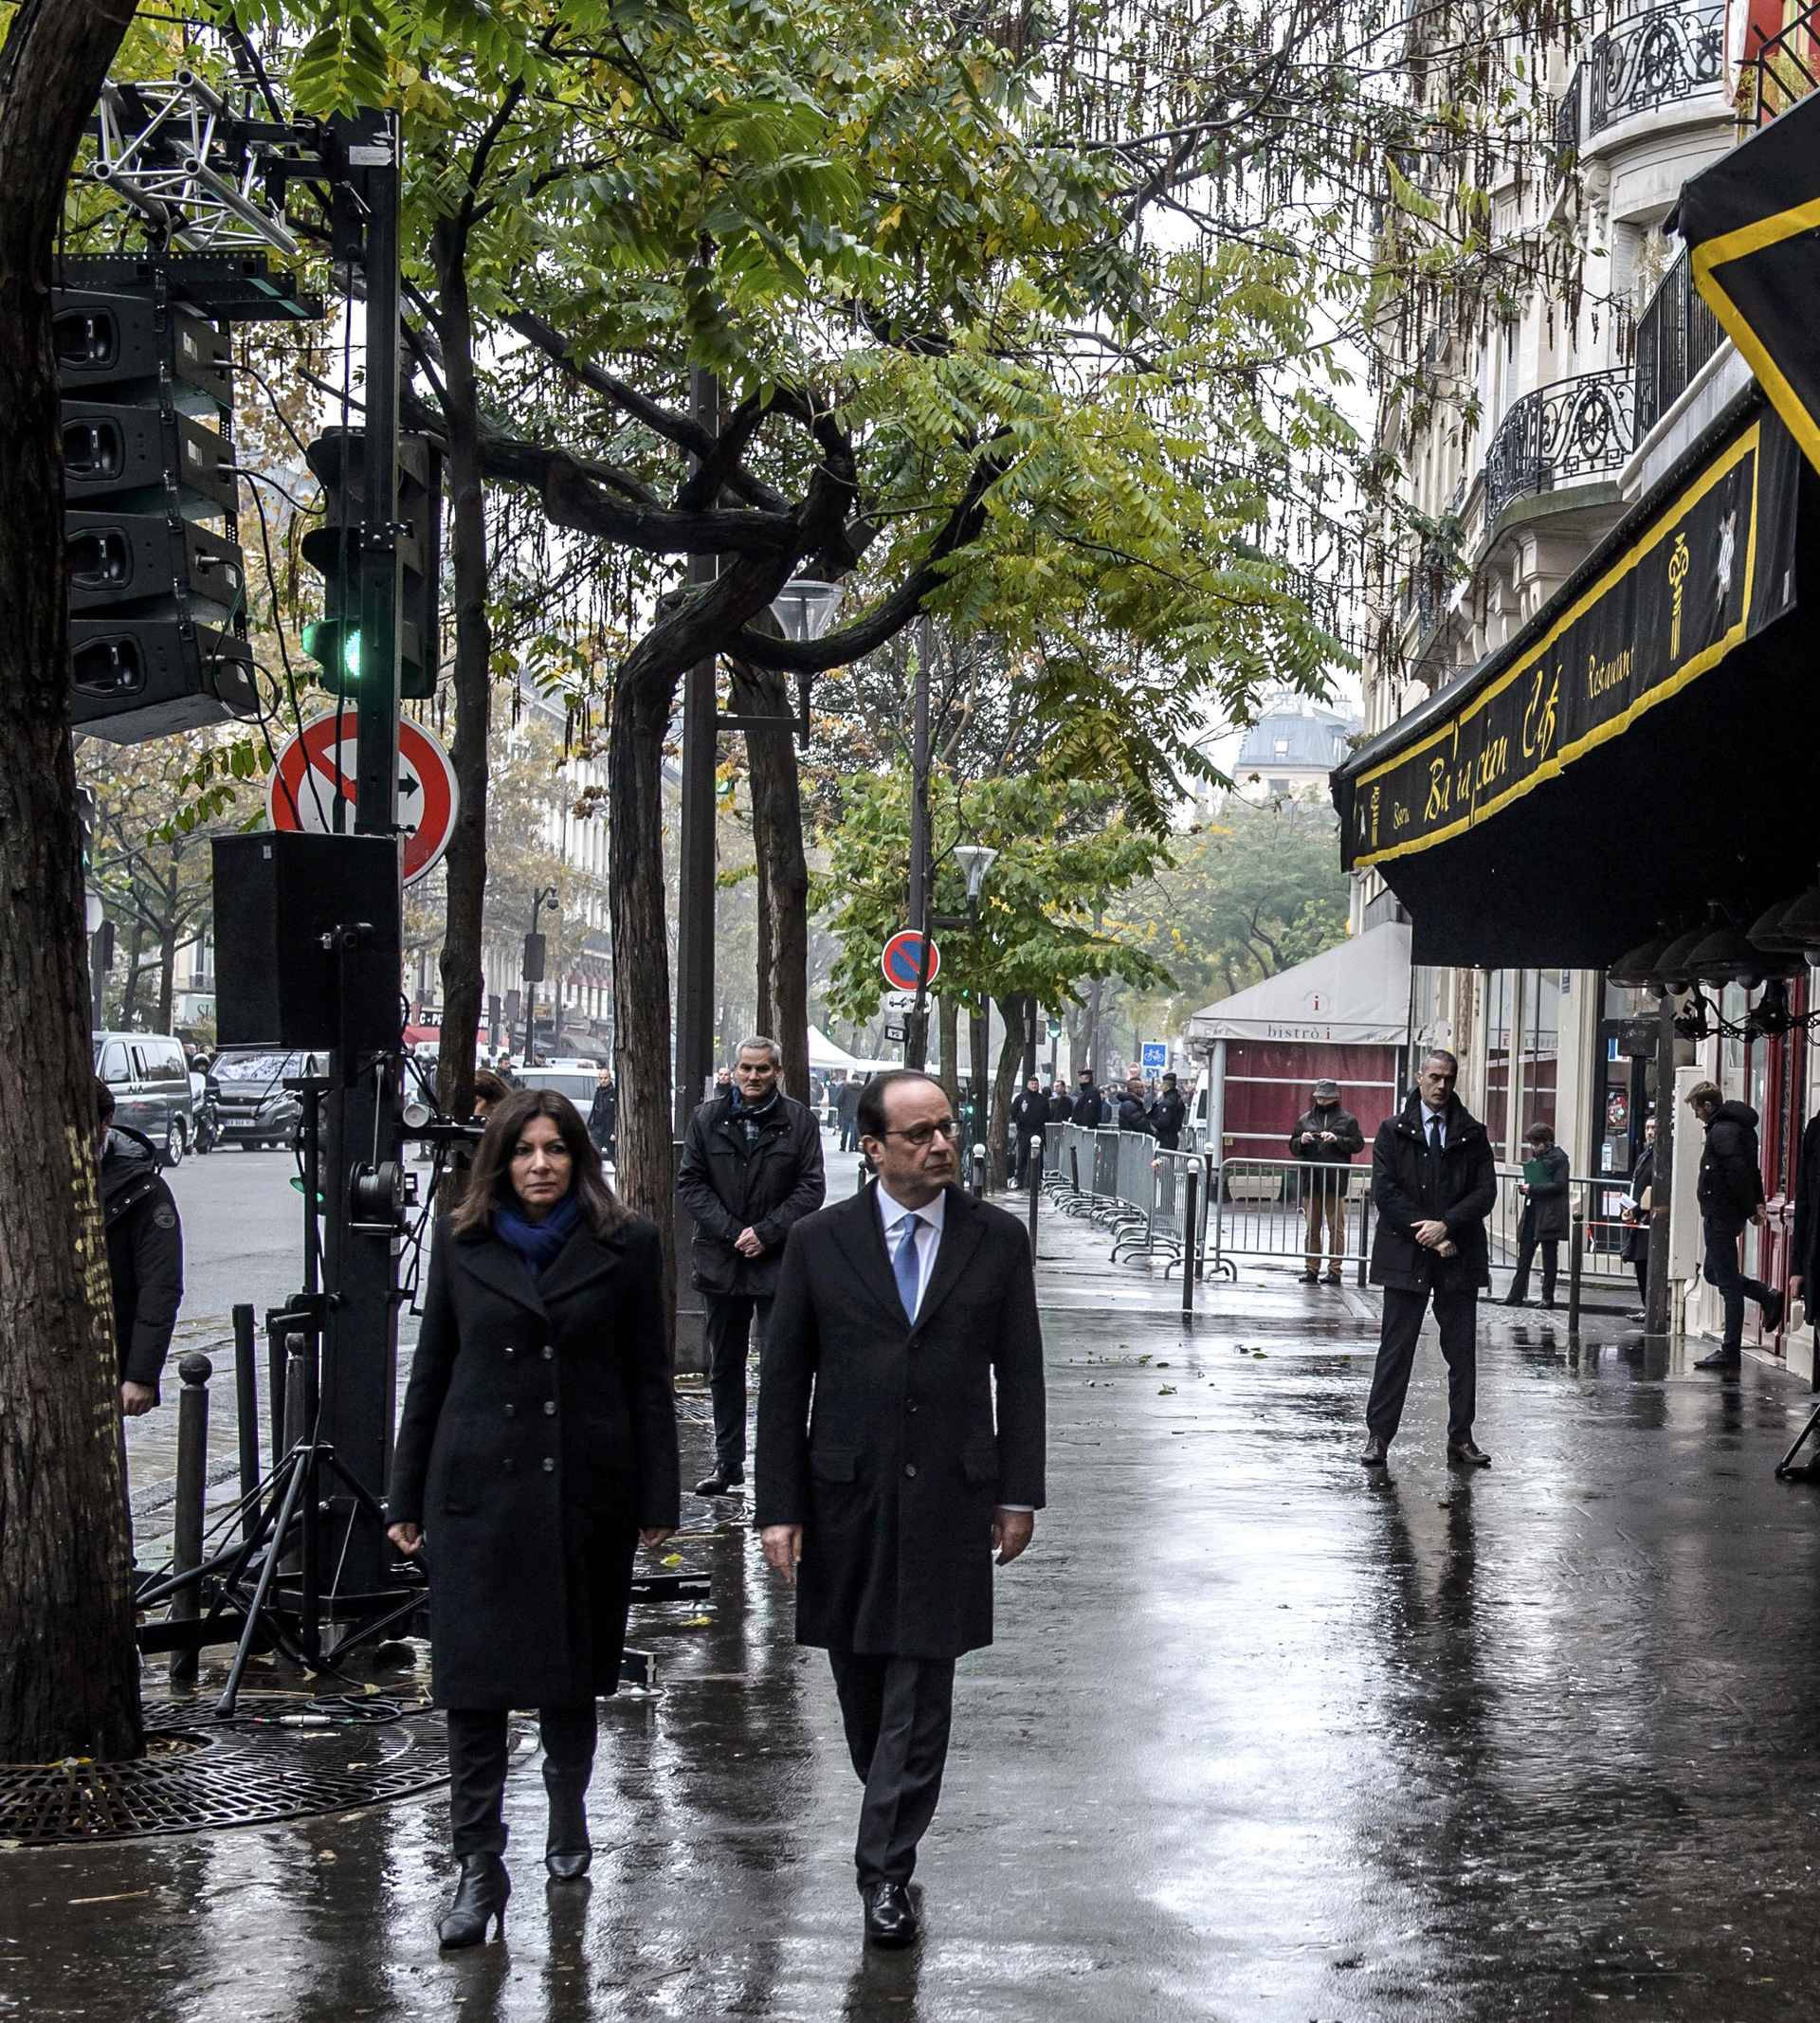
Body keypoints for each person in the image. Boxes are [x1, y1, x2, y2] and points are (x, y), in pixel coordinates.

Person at [756, 1069, 1046, 1948]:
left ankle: (884, 1873)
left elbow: (1021, 1373)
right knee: (864, 1691)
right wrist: (779, 1506)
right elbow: (783, 1381)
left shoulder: (997, 1240)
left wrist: (1018, 1492)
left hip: (953, 1497)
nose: (941, 1145)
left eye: (947, 1129)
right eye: (919, 1134)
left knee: (921, 1688)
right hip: (845, 1496)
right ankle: (891, 1819)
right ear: (873, 1148)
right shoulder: (818, 1240)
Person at [387, 1089, 680, 1948]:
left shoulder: (627, 1245)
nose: (540, 1165)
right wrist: (405, 1496)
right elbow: (431, 1371)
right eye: (523, 1150)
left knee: (569, 1676)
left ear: (579, 1157)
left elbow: (647, 1378)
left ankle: (566, 1811)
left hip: (583, 1492)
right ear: (500, 1161)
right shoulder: (460, 1240)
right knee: (471, 1689)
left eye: (555, 1149)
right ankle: (478, 1865)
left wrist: (657, 1496)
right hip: (476, 1492)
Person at [676, 1036, 827, 1496]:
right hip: (721, 1261)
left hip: (779, 1262)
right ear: (735, 1070)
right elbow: (691, 1182)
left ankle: (780, 1465)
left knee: (782, 1364)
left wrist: (767, 1231)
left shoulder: (799, 1121)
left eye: (762, 1069)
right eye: (746, 1068)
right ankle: (728, 1462)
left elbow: (811, 1188)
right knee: (725, 1364)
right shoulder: (706, 1118)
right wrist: (731, 1231)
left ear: (777, 1071)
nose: (753, 1076)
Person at [1359, 1049, 1496, 1469]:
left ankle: (1461, 1437)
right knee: (1395, 1350)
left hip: (1458, 1255)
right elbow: (1385, 1191)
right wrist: (1428, 1231)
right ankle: (1379, 1437)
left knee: (1461, 1352)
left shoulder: (1472, 1133)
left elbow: (1484, 1192)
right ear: (1420, 1077)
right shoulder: (1392, 1131)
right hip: (1407, 1254)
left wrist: (1447, 1226)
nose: (1441, 1086)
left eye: (1449, 1078)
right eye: (1435, 1077)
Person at [96, 1079, 183, 1424]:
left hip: (109, 1357)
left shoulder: (145, 1191)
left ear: (106, 1123)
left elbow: (160, 1285)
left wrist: (141, 1374)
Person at [1688, 1080, 1783, 1371]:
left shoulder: (1723, 1131)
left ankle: (1730, 1350)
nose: (1696, 1115)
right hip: (1725, 1213)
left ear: (1708, 1105)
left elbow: (1739, 1173)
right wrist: (1754, 1204)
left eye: (1696, 1108)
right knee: (1714, 1274)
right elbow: (1750, 1170)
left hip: (1721, 1214)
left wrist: (1750, 1207)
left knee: (1726, 1282)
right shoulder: (1732, 1128)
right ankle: (1764, 1295)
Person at [1288, 1078, 1365, 1285]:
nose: (1322, 1101)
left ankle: (1334, 1270)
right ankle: (1311, 1268)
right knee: (1312, 1227)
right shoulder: (1305, 1119)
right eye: (1319, 1097)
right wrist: (1301, 1141)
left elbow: (1358, 1144)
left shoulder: (1348, 1120)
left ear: (1335, 1098)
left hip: (1334, 1180)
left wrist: (1337, 1140)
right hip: (1311, 1180)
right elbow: (1292, 1146)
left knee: (1335, 1228)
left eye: (1326, 1097)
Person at [1503, 1121, 1570, 1309]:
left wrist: (1532, 1187)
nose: (1533, 1147)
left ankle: (1547, 1297)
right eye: (1532, 1144)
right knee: (1524, 1256)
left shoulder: (1559, 1159)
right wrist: (1528, 1189)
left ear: (1546, 1141)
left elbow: (1559, 1185)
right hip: (1533, 1211)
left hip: (1549, 1215)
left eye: (1536, 1143)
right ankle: (1515, 1295)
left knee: (1549, 1258)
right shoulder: (1537, 1159)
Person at [1621, 1117, 1657, 1318]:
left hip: (1649, 1218)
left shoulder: (1660, 1157)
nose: (1650, 1132)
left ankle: (1651, 1309)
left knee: (1646, 1264)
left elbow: (1655, 1189)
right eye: (1647, 1127)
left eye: (1653, 1128)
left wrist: (1637, 1211)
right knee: (1639, 1265)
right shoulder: (1645, 1155)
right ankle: (1646, 1307)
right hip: (1637, 1214)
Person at [1010, 1074, 1049, 1187]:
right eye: (1032, 1084)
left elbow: (1047, 1115)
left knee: (1037, 1158)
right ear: (1028, 1084)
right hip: (1024, 1132)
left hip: (1037, 1132)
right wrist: (1019, 1122)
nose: (1034, 1086)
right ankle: (1020, 1181)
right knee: (1022, 1157)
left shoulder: (1042, 1099)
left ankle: (1036, 1182)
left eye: (1036, 1084)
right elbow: (1013, 1112)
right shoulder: (1021, 1098)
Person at [1150, 1072, 1187, 1152]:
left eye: (1163, 1084)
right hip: (1172, 1137)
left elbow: (1164, 1122)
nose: (1161, 1086)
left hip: (1165, 1138)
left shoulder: (1168, 1102)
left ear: (1166, 1087)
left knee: (1162, 1162)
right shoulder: (1177, 1099)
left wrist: (1150, 1122)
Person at [587, 1066, 617, 1159]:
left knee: (614, 1158)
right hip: (597, 1130)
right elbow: (594, 1110)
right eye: (601, 1078)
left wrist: (615, 1132)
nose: (603, 1080)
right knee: (593, 1157)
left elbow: (618, 1115)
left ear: (610, 1078)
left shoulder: (614, 1093)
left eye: (605, 1078)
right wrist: (589, 1126)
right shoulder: (598, 1092)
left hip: (609, 1130)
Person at [837, 1074, 864, 1153]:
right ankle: (851, 1147)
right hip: (857, 1113)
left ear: (852, 1079)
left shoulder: (846, 1088)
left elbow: (840, 1099)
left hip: (846, 1112)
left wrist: (840, 1107)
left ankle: (843, 1146)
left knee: (845, 1130)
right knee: (854, 1131)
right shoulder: (862, 1088)